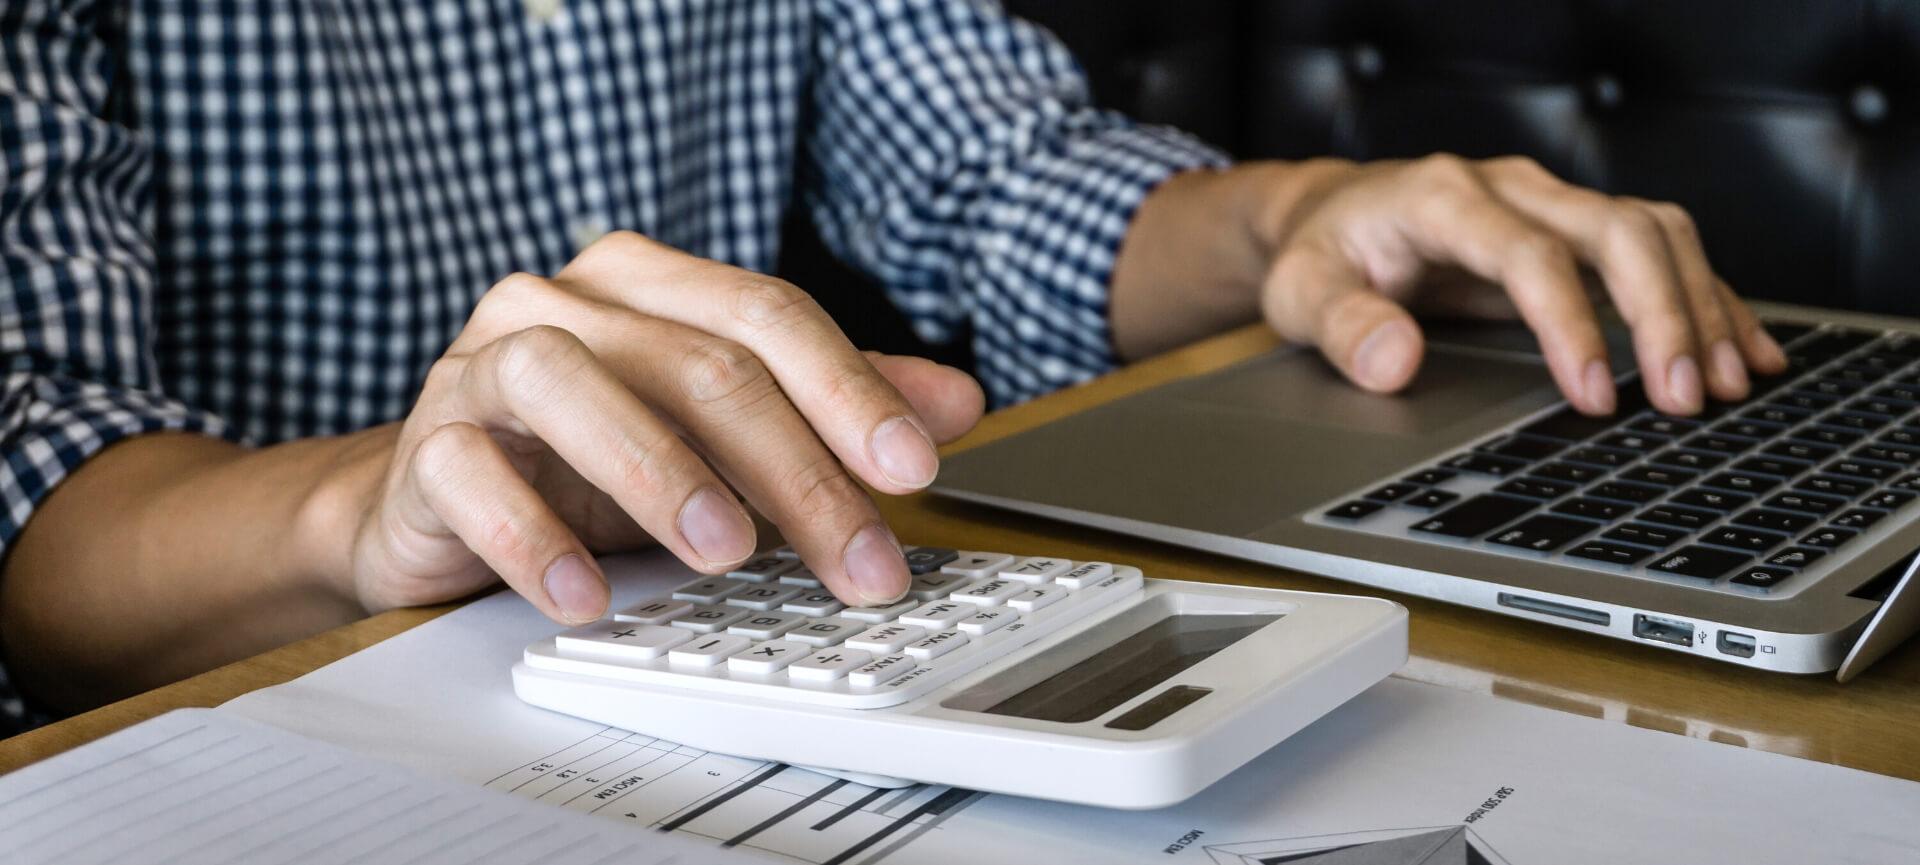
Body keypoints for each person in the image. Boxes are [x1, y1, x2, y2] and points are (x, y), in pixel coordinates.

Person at [0, 0, 1783, 732]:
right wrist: (363, 505)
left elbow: (995, 173)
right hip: (284, 715)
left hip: (728, 674)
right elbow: (32, 463)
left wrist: (1308, 213)